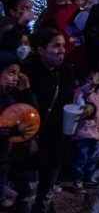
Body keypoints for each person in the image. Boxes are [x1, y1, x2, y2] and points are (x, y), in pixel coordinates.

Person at [16, 29, 96, 213]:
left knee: (45, 197)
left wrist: (89, 108)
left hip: (57, 143)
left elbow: (73, 99)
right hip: (33, 144)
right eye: (56, 45)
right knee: (27, 198)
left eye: (63, 46)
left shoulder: (65, 72)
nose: (61, 50)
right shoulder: (27, 74)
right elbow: (21, 109)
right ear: (41, 49)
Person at [0, 51, 36, 210]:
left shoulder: (12, 96)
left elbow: (32, 114)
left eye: (17, 74)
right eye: (10, 73)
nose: (15, 78)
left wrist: (26, 90)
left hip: (4, 156)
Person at [70, 69, 99, 193]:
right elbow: (86, 90)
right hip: (83, 132)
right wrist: (91, 84)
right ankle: (77, 180)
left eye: (95, 79)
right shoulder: (80, 92)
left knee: (93, 156)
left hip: (96, 132)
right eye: (89, 78)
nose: (92, 81)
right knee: (82, 156)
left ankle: (89, 178)